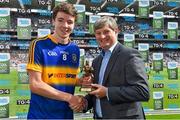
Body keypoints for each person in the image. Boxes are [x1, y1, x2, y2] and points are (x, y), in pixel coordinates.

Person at [73, 16, 150, 119]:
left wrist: (107, 92)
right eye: (98, 33)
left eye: (106, 32)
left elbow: (142, 91)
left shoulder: (129, 55)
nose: (102, 36)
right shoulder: (96, 61)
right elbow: (98, 90)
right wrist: (85, 102)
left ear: (116, 31)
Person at [26, 2, 84, 119]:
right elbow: (35, 85)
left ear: (74, 24)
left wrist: (83, 82)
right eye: (60, 20)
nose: (65, 25)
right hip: (41, 116)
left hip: (65, 115)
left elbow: (68, 78)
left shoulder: (75, 50)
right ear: (53, 21)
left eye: (70, 22)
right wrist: (70, 98)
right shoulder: (38, 45)